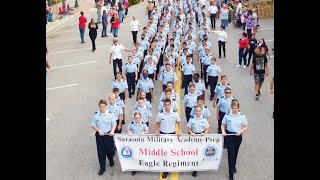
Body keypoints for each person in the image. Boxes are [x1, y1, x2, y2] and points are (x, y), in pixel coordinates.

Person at [222, 99, 248, 180]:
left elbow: (246, 126)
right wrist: (223, 131)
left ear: (238, 107)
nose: (235, 109)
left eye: (236, 108)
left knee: (235, 153)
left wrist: (240, 131)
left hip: (238, 136)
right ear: (231, 107)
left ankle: (233, 165)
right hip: (229, 135)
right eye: (233, 108)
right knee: (231, 154)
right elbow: (223, 124)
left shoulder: (242, 116)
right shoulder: (227, 115)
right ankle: (231, 173)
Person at [155, 98, 182, 179]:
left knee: (171, 151)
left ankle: (172, 165)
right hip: (163, 135)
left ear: (171, 105)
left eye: (168, 105)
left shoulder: (174, 114)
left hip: (172, 135)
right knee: (164, 152)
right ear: (163, 105)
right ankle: (165, 170)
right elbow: (157, 123)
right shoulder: (160, 114)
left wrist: (179, 131)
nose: (167, 106)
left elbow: (179, 122)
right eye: (165, 105)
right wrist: (157, 131)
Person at [91, 99, 117, 175]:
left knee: (111, 150)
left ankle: (111, 159)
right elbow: (93, 125)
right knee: (101, 152)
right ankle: (102, 168)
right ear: (98, 106)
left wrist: (112, 131)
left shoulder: (110, 114)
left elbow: (114, 124)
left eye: (104, 107)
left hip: (109, 135)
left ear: (106, 106)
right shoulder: (95, 115)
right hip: (100, 136)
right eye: (101, 107)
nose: (102, 108)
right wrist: (98, 130)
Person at [188, 105, 210, 177]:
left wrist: (205, 133)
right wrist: (191, 133)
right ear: (195, 111)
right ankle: (195, 169)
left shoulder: (204, 119)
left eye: (199, 111)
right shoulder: (191, 119)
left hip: (201, 136)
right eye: (196, 111)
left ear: (201, 111)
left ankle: (201, 164)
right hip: (194, 137)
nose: (198, 112)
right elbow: (189, 129)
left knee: (201, 151)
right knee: (195, 153)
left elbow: (207, 129)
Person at [128, 112, 149, 176]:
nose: (137, 119)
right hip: (134, 142)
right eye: (136, 118)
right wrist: (129, 132)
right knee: (134, 155)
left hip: (141, 142)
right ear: (134, 118)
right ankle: (134, 168)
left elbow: (147, 131)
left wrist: (144, 133)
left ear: (140, 118)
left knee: (141, 155)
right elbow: (128, 129)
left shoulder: (143, 124)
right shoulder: (132, 124)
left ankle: (140, 166)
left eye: (138, 118)